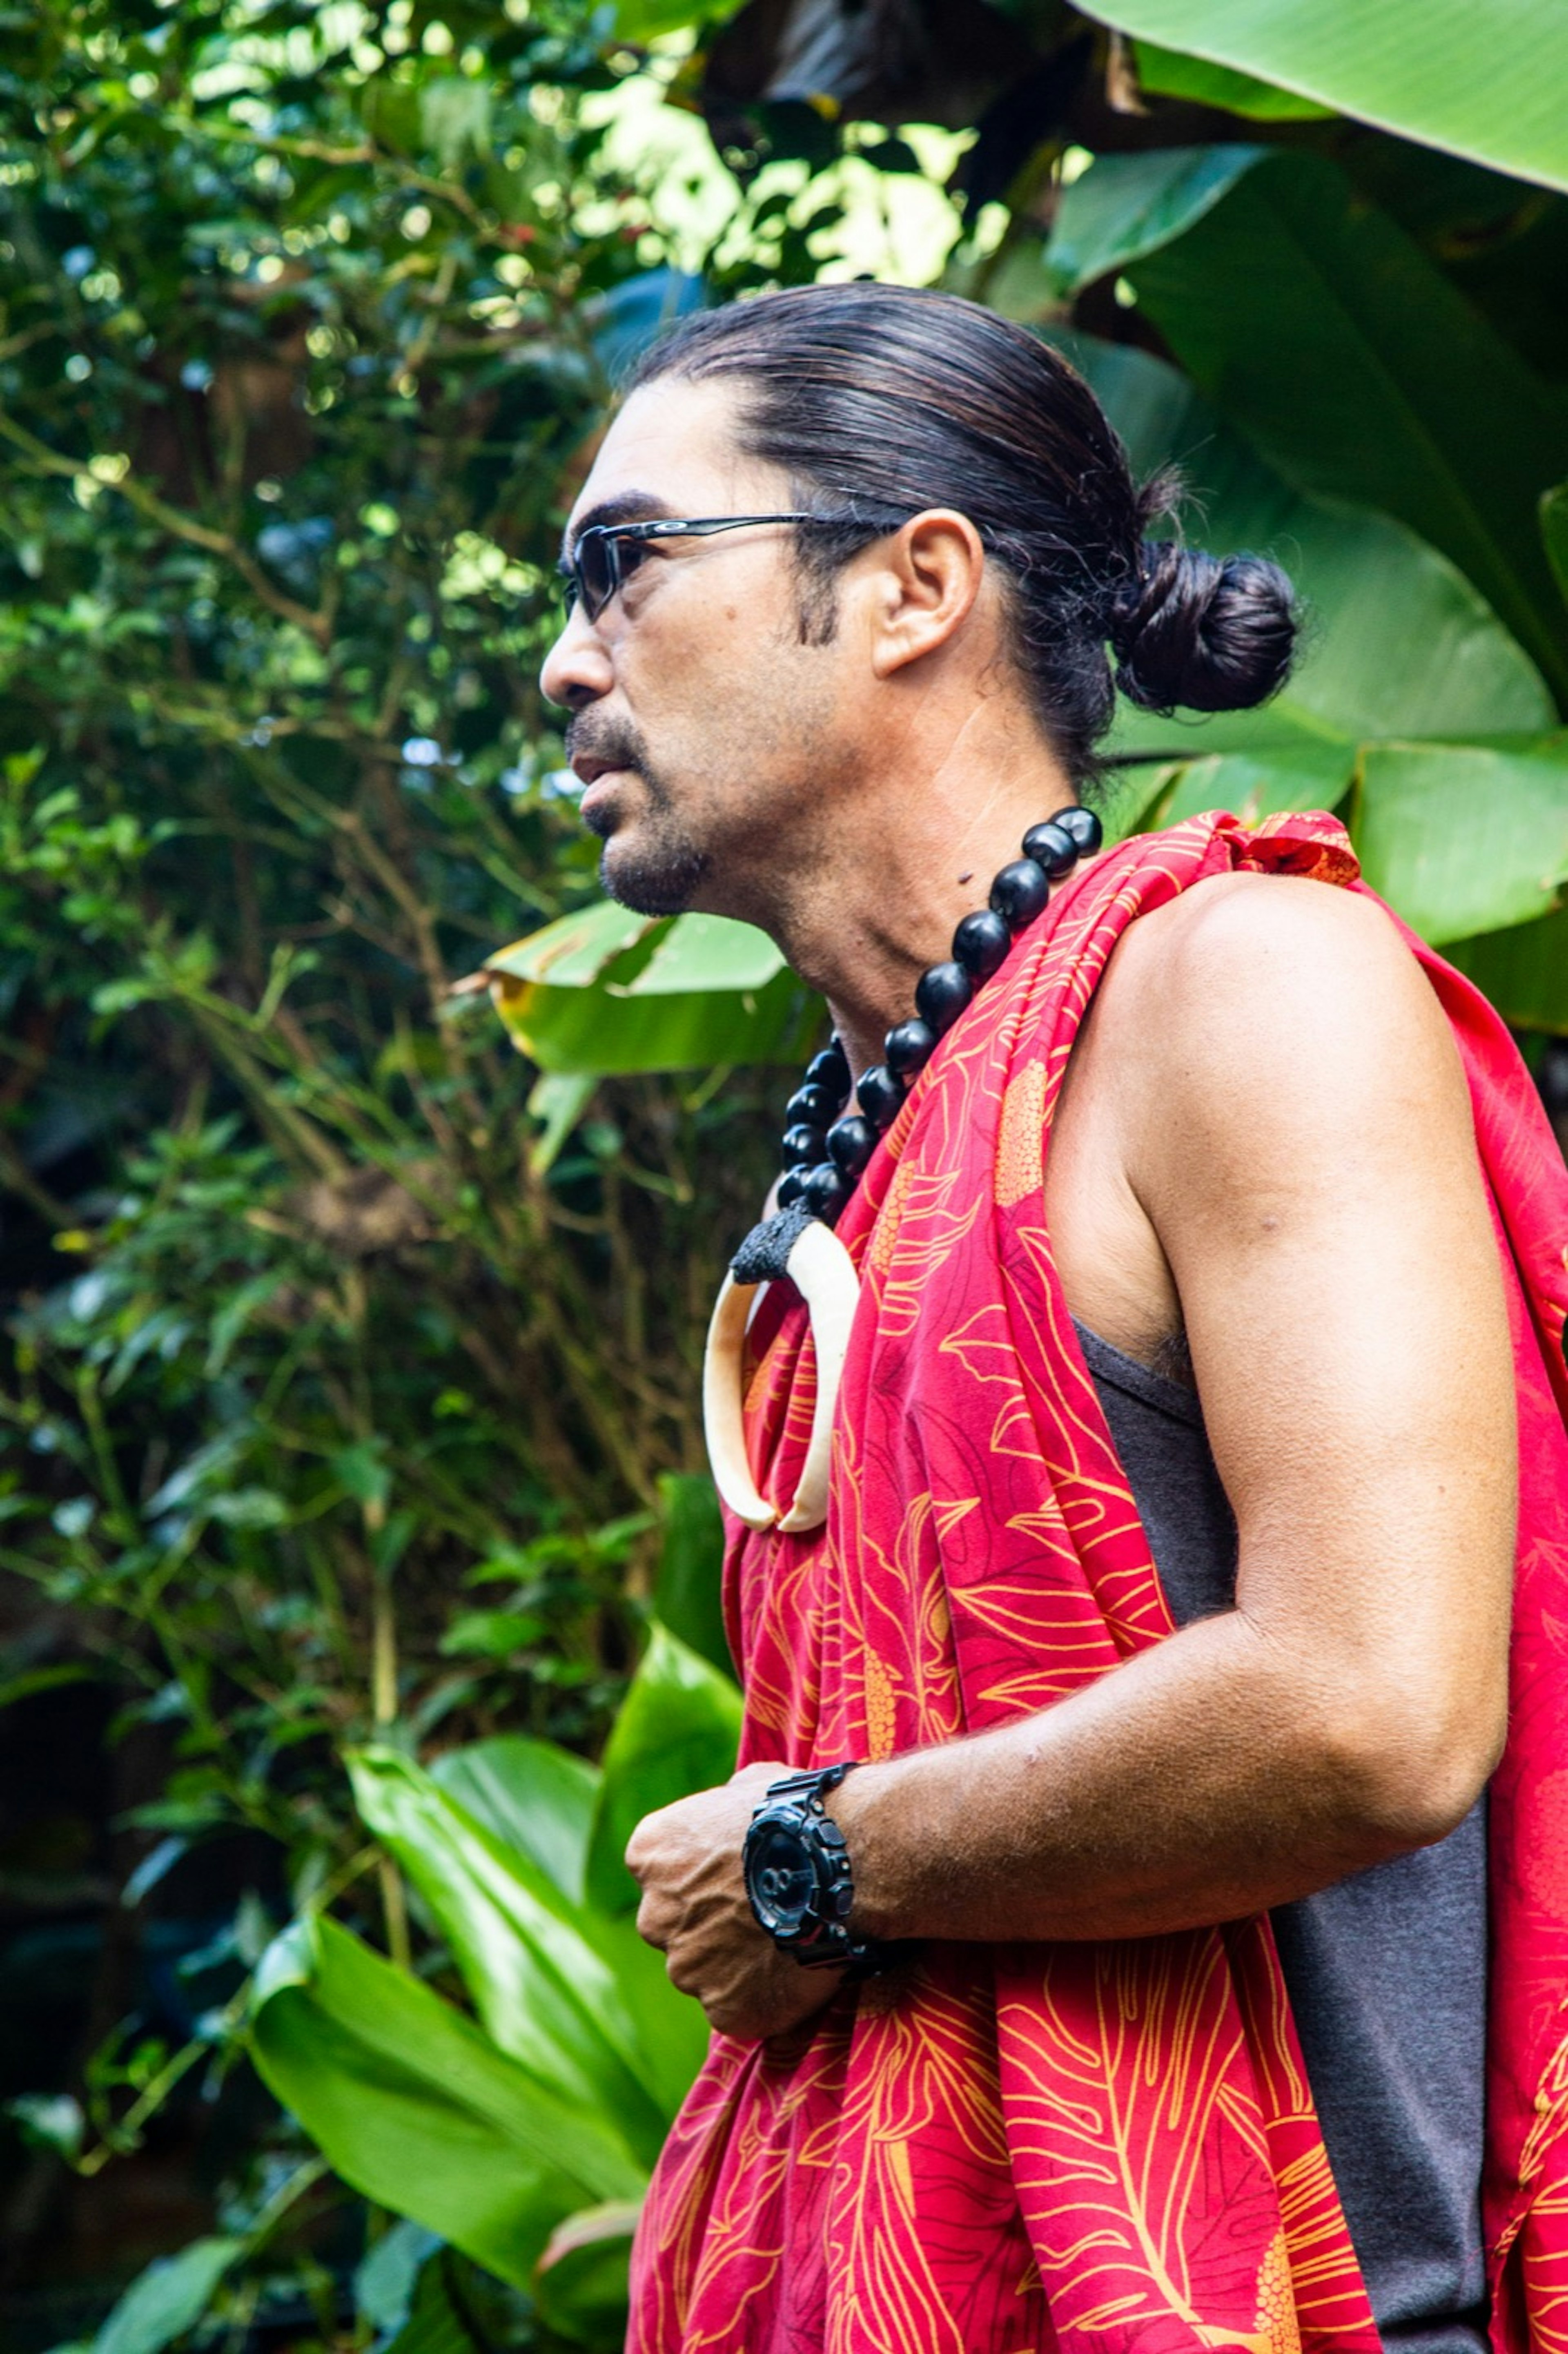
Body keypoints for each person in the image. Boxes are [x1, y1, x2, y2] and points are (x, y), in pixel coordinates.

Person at [538, 282, 1568, 2354]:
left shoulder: (1239, 984)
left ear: (916, 582)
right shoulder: (881, 1134)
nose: (569, 658)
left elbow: (1372, 1701)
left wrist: (819, 1854)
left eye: (627, 561)